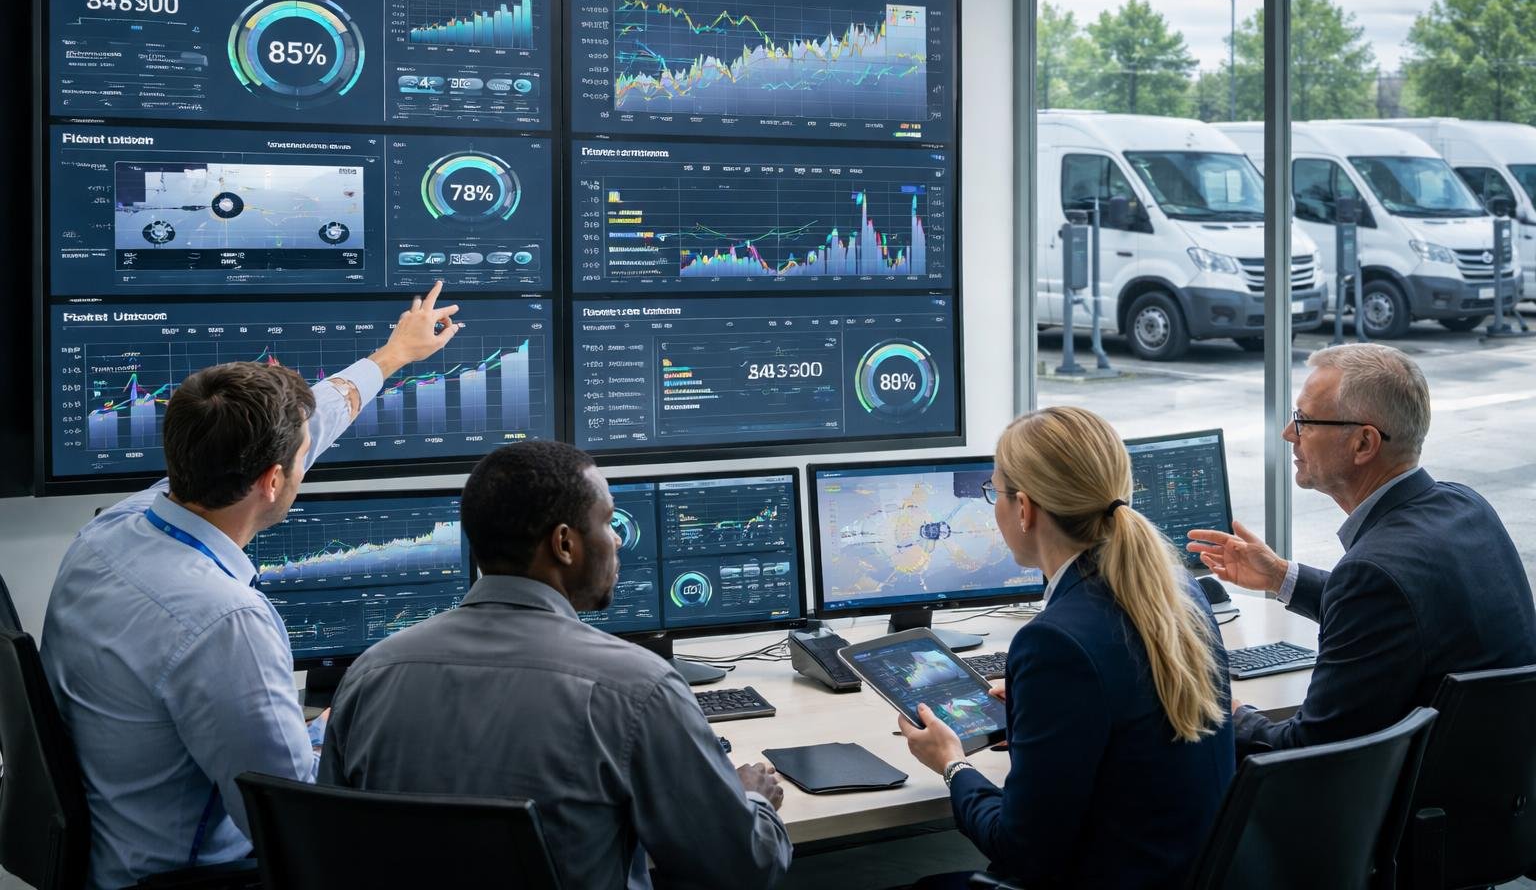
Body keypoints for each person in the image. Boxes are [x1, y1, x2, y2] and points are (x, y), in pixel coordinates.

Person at [41, 282, 462, 889]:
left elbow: (314, 417)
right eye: (299, 458)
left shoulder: (116, 529)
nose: (305, 462)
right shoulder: (225, 621)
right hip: (196, 878)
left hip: (114, 850)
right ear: (271, 481)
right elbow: (293, 819)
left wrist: (393, 356)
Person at [319, 442, 793, 890]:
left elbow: (331, 853)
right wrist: (751, 800)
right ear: (565, 544)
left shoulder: (368, 675)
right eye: (608, 523)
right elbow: (743, 868)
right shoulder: (638, 688)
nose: (617, 542)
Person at [899, 406, 1234, 890]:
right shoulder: (1179, 591)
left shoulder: (1054, 641)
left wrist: (952, 763)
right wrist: (1043, 716)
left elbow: (1021, 850)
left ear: (1024, 508)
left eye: (993, 491)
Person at [1190, 343, 1536, 756]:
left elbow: (1306, 750)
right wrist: (1281, 576)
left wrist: (1226, 709)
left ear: (1363, 444)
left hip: (1412, 808)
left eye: (1304, 421)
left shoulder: (1374, 573)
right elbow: (1397, 608)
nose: (1288, 434)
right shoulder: (1466, 506)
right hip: (1494, 789)